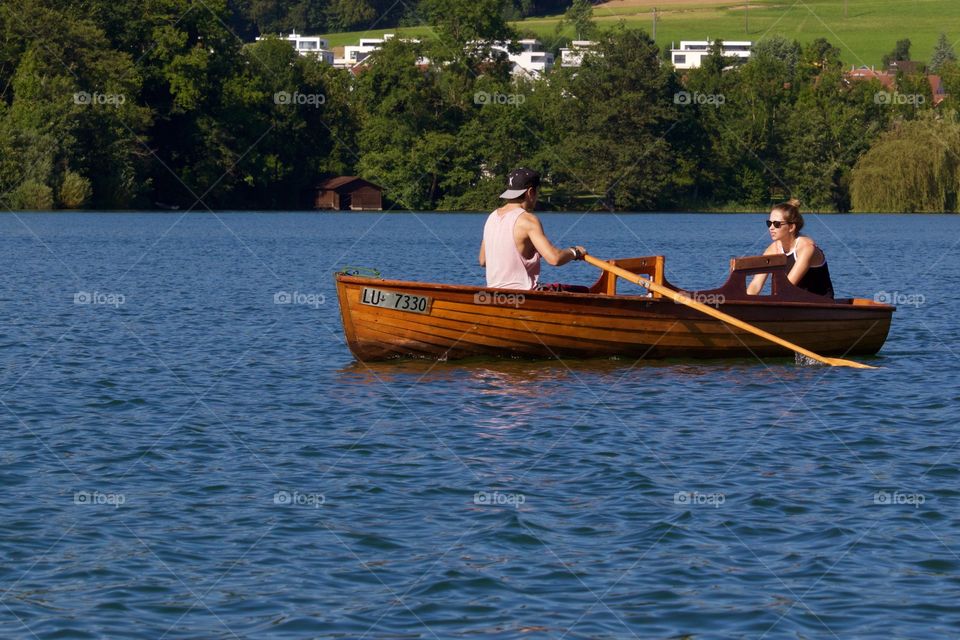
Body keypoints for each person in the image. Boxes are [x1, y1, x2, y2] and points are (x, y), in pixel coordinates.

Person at [478, 168, 588, 291]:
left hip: (495, 294)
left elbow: (483, 261)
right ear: (530, 192)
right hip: (523, 295)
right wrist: (575, 252)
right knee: (583, 291)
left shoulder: (492, 217)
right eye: (537, 192)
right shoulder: (528, 220)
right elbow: (554, 259)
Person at [747, 199, 835, 298]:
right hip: (792, 304)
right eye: (769, 223)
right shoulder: (772, 249)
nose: (771, 228)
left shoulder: (807, 248)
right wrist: (744, 302)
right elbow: (756, 284)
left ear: (791, 227)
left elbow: (787, 286)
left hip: (820, 306)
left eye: (776, 224)